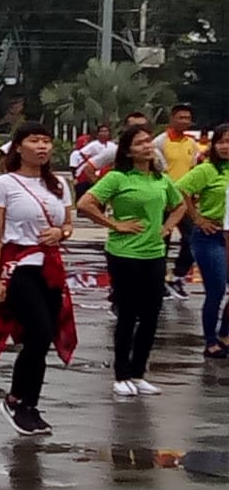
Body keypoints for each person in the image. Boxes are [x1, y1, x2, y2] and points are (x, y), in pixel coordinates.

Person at [0, 121, 77, 437]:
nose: (42, 147)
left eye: (47, 141)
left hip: (49, 267)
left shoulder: (59, 184)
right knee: (36, 333)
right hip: (18, 266)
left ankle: (30, 405)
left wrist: (60, 233)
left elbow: (69, 224)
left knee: (45, 338)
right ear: (19, 146)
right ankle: (14, 399)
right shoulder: (3, 184)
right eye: (35, 140)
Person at [77, 125, 185, 396]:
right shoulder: (117, 177)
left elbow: (180, 205)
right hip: (124, 254)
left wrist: (167, 226)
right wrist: (114, 224)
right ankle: (121, 374)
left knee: (151, 315)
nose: (147, 147)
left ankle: (138, 373)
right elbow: (85, 204)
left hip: (154, 253)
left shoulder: (161, 179)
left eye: (148, 141)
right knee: (128, 314)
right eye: (139, 143)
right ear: (127, 150)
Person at [175, 123, 229, 357]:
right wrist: (196, 217)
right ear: (214, 145)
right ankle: (210, 341)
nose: (226, 146)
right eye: (222, 141)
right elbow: (180, 189)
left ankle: (224, 333)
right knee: (216, 290)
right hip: (210, 236)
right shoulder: (207, 170)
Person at [153, 104, 198, 299]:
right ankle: (158, 281)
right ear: (172, 118)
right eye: (181, 118)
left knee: (192, 241)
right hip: (164, 200)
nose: (185, 122)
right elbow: (157, 170)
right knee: (162, 243)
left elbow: (194, 170)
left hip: (184, 201)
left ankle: (176, 276)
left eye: (188, 118)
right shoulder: (160, 142)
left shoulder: (191, 144)